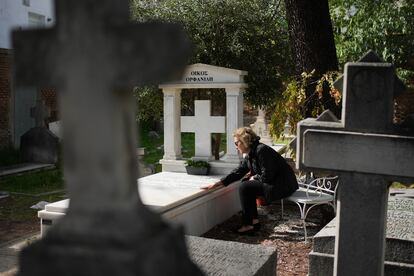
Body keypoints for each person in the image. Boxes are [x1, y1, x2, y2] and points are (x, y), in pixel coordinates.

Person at [203, 127, 298, 234]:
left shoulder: (262, 150)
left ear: (244, 141)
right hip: (275, 182)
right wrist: (217, 183)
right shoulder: (251, 153)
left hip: (283, 185)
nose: (235, 147)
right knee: (246, 185)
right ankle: (253, 222)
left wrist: (255, 177)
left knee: (245, 186)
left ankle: (248, 224)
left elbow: (268, 175)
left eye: (236, 143)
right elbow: (238, 172)